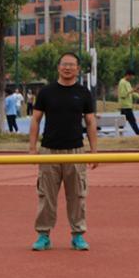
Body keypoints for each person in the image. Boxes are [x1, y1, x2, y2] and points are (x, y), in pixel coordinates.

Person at [28, 52, 97, 252]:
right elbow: (36, 120)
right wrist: (32, 149)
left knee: (77, 196)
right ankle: (43, 235)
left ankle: (78, 235)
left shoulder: (83, 93)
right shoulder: (47, 92)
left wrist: (94, 151)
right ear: (58, 67)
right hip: (49, 151)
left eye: (72, 65)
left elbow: (90, 122)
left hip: (76, 151)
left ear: (77, 69)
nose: (67, 68)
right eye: (64, 64)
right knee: (46, 196)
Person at [117, 68, 139, 135]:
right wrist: (134, 89)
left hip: (127, 106)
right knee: (132, 121)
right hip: (126, 107)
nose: (132, 78)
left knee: (122, 122)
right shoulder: (122, 82)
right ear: (128, 75)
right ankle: (138, 134)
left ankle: (119, 135)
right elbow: (123, 95)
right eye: (132, 76)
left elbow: (131, 93)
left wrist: (137, 94)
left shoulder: (128, 83)